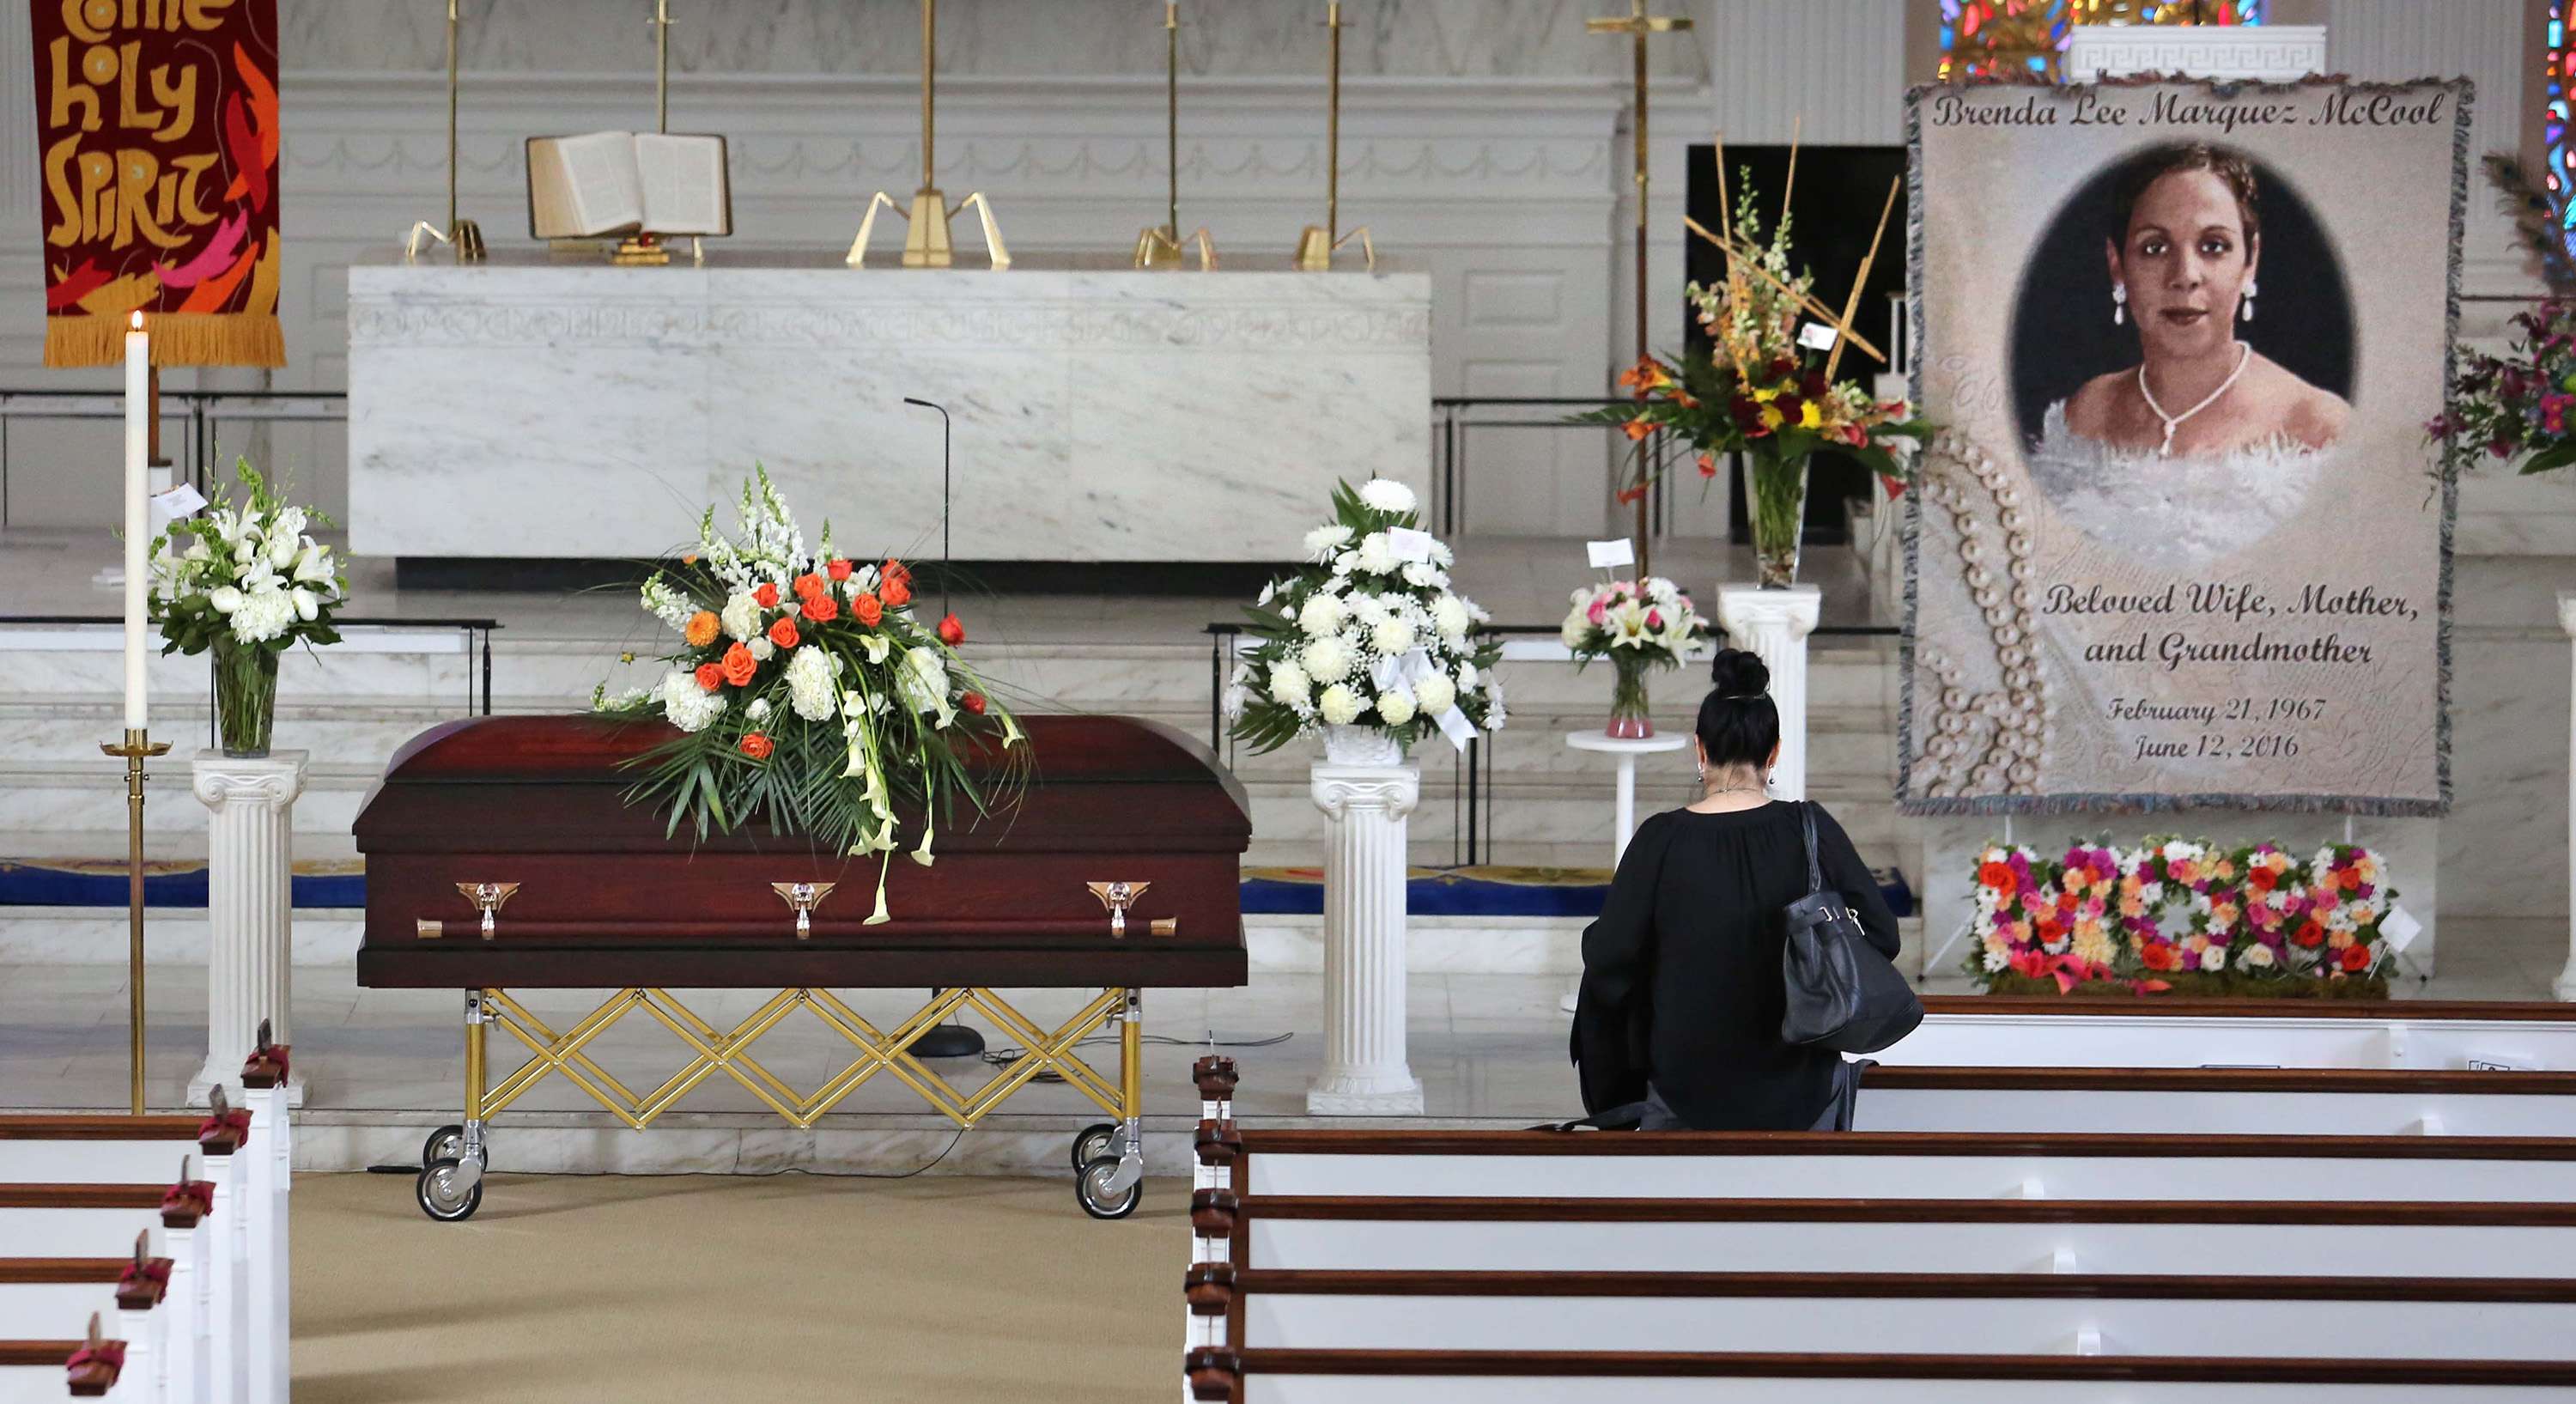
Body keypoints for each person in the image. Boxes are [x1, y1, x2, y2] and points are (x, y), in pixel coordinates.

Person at [1568, 648, 1901, 1131]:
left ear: (1700, 750)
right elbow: (1883, 936)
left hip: (1684, 1089)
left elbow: (1609, 964)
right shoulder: (1810, 827)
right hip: (1801, 1087)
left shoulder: (1661, 839)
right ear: (1774, 752)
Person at [2028, 142, 2349, 565]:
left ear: (2250, 261)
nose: (2185, 276)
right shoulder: (2087, 414)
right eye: (2154, 248)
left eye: (2213, 246)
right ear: (2117, 265)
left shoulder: (2319, 427)